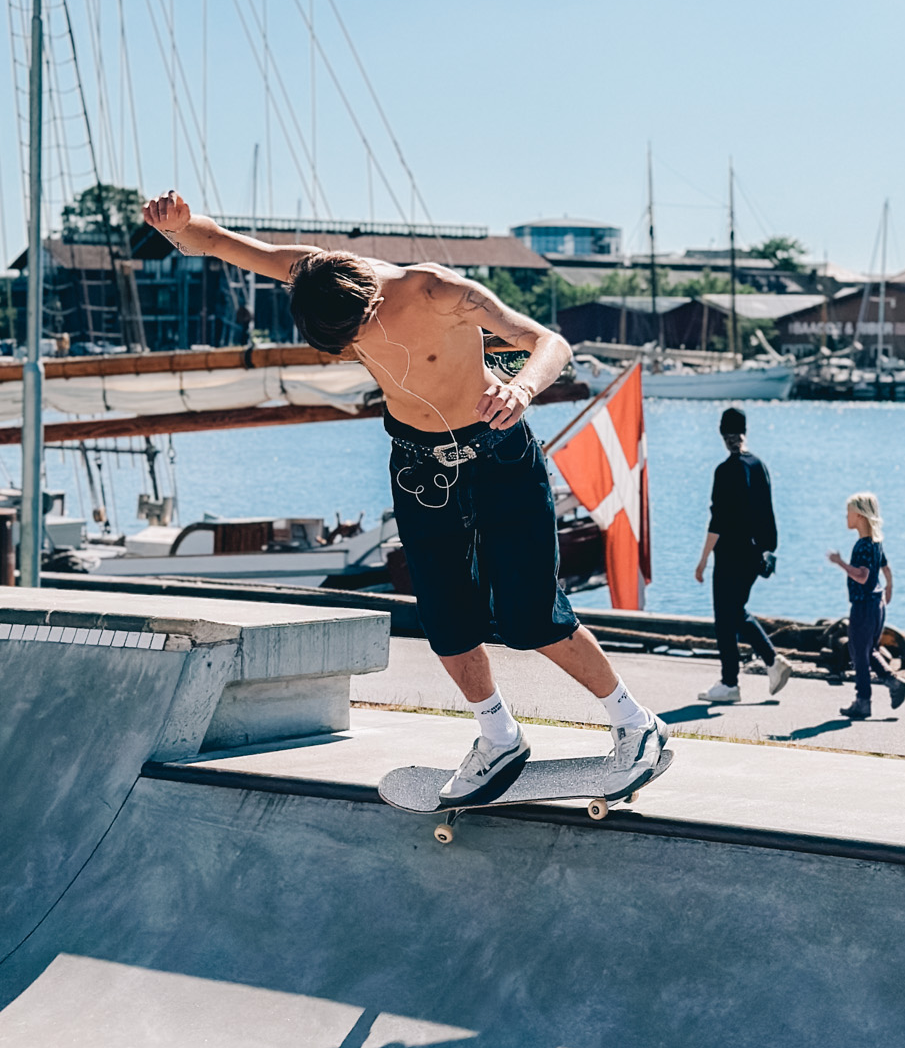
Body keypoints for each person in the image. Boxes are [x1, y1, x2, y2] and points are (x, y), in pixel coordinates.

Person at [140, 190, 671, 807]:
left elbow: (548, 341)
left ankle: (636, 724)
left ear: (367, 298)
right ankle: (498, 735)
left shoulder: (438, 291)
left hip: (498, 453)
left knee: (530, 614)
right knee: (445, 617)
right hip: (420, 467)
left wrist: (522, 390)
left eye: (354, 336)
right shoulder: (314, 273)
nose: (354, 349)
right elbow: (228, 246)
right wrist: (178, 227)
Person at [693, 407, 792, 704]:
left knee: (727, 615)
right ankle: (753, 671)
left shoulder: (725, 470)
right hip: (756, 555)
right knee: (734, 612)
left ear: (723, 435)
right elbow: (767, 513)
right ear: (745, 432)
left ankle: (738, 679)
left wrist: (702, 561)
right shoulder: (759, 465)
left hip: (730, 555)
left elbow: (718, 521)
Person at [826, 491, 905, 720]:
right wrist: (888, 588)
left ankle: (863, 702)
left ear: (860, 516)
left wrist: (840, 562)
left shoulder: (862, 546)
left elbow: (862, 576)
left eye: (848, 513)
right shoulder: (876, 542)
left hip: (863, 606)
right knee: (866, 650)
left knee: (858, 654)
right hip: (876, 603)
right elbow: (886, 569)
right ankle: (893, 682)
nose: (846, 517)